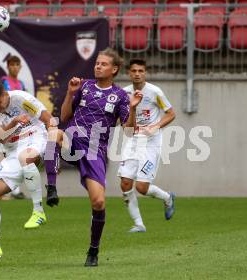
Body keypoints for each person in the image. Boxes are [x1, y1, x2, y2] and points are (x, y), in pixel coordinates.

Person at [43, 48, 142, 266]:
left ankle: (93, 251)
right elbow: (65, 116)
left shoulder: (121, 96)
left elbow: (128, 130)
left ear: (114, 69)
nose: (98, 66)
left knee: (98, 202)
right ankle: (51, 188)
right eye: (97, 63)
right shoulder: (84, 86)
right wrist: (70, 93)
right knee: (53, 132)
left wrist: (133, 109)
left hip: (95, 151)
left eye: (104, 64)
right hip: (73, 139)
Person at [0, 80, 57, 258]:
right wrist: (15, 122)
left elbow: (48, 119)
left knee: (25, 157)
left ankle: (38, 211)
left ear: (5, 94)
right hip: (11, 150)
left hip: (35, 137)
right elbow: (1, 138)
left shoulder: (22, 99)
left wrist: (52, 150)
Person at [117, 58, 176, 233]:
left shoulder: (155, 92)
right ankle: (138, 224)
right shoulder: (124, 94)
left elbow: (171, 114)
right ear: (129, 73)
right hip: (134, 141)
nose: (137, 74)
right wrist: (133, 109)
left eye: (140, 71)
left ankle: (167, 198)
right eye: (134, 71)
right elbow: (125, 125)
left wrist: (155, 126)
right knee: (125, 183)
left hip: (151, 142)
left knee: (142, 188)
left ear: (145, 73)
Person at [1, 55, 27, 199]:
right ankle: (2, 188)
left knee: (17, 154)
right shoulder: (4, 82)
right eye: (12, 64)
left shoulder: (21, 84)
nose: (15, 67)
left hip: (19, 123)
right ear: (8, 66)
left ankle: (14, 190)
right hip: (6, 123)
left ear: (20, 67)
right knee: (3, 154)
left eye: (17, 64)